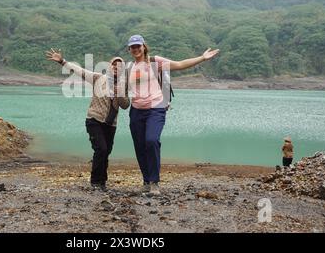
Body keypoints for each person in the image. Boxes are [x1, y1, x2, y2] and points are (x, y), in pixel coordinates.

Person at [125, 35, 219, 195]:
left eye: (138, 46)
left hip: (155, 109)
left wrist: (202, 58)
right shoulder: (129, 68)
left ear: (144, 46)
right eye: (132, 47)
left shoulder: (155, 62)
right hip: (136, 110)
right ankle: (146, 181)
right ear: (129, 49)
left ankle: (155, 182)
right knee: (140, 147)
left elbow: (180, 64)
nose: (136, 49)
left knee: (151, 140)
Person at [46, 48, 130, 191]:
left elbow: (125, 105)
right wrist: (62, 61)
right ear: (109, 67)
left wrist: (119, 93)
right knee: (101, 149)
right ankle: (95, 182)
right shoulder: (98, 78)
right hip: (94, 120)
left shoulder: (123, 84)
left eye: (120, 66)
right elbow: (79, 71)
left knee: (106, 151)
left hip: (111, 124)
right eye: (114, 65)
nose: (117, 67)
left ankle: (102, 182)